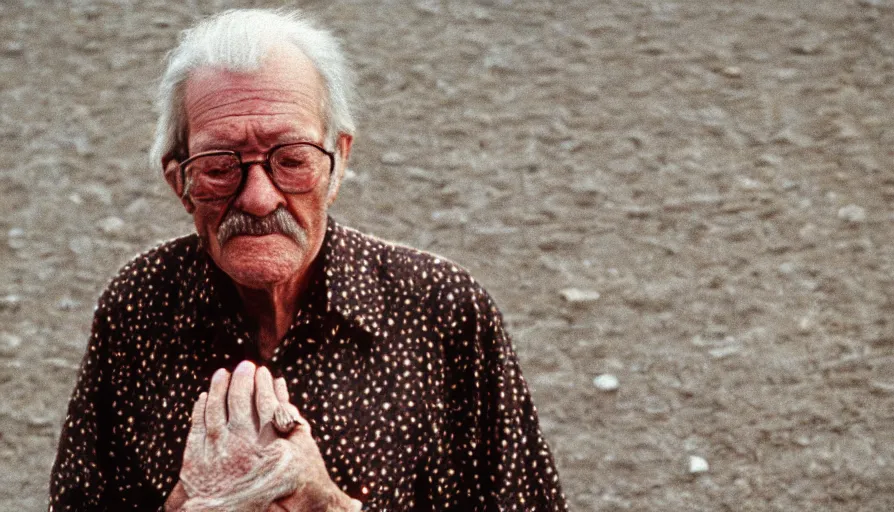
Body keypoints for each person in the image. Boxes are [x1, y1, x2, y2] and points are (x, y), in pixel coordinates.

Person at [49, 8, 567, 511]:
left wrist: (331, 506)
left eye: (292, 159)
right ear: (179, 182)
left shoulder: (442, 310)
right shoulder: (138, 303)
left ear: (336, 164)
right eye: (218, 167)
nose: (257, 198)